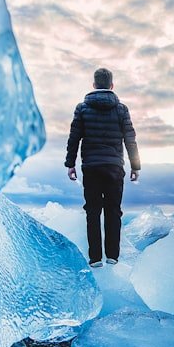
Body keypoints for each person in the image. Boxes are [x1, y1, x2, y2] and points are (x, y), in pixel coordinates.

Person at [65, 67, 141, 267]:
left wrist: (70, 164)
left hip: (90, 166)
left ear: (94, 85)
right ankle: (113, 256)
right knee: (113, 211)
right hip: (114, 167)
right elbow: (130, 140)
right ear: (112, 85)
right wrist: (135, 166)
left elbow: (74, 138)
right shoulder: (121, 109)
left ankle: (95, 258)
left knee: (92, 211)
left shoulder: (82, 108)